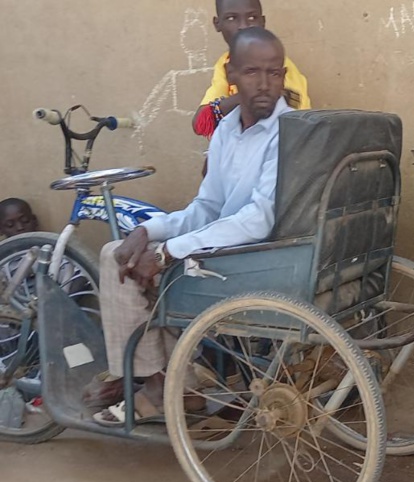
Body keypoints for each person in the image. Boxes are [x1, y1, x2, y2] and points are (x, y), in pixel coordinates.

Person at [82, 27, 292, 425]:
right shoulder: (227, 130)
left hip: (258, 260)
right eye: (252, 72)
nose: (265, 84)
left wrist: (168, 252)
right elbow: (207, 208)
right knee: (125, 253)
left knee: (119, 262)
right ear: (231, 74)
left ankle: (159, 384)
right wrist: (149, 232)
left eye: (274, 72)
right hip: (229, 250)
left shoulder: (290, 132)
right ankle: (179, 382)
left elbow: (259, 219)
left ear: (283, 75)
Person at [192, 0, 310, 139]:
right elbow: (201, 122)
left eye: (252, 17)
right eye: (231, 18)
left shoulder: (277, 64)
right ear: (217, 24)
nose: (243, 26)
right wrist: (244, 98)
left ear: (263, 21)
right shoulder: (225, 62)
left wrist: (231, 103)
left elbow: (294, 115)